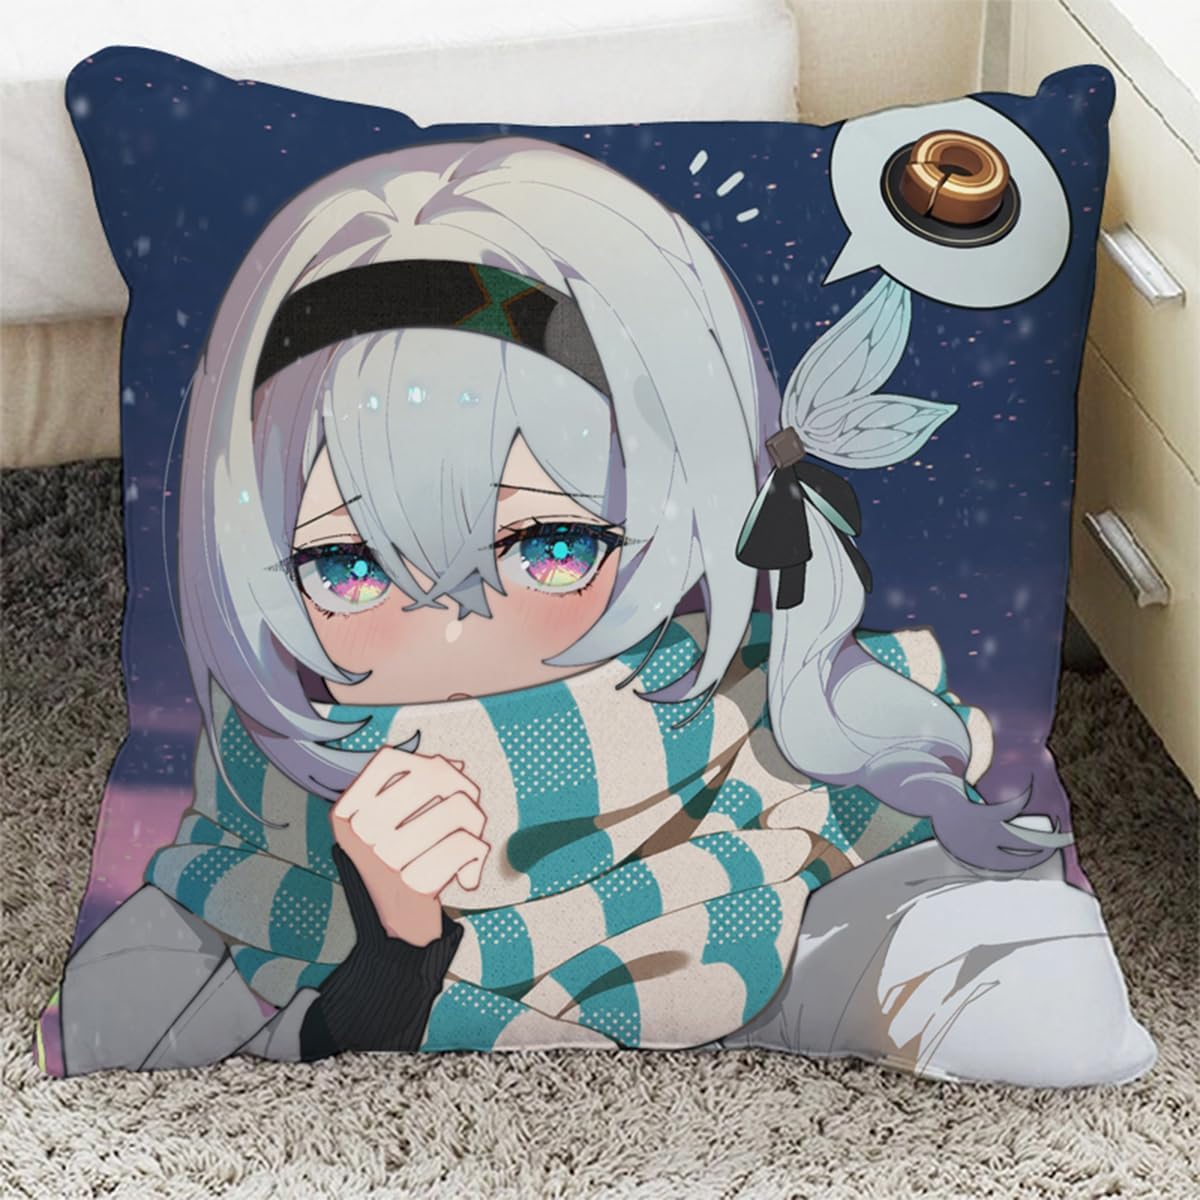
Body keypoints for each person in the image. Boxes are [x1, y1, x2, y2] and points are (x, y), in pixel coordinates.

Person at [53, 138, 1154, 1085]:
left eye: (549, 546)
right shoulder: (261, 805)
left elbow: (1001, 970)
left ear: (674, 509)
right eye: (348, 565)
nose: (451, 625)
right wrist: (396, 947)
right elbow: (130, 1021)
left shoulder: (766, 738)